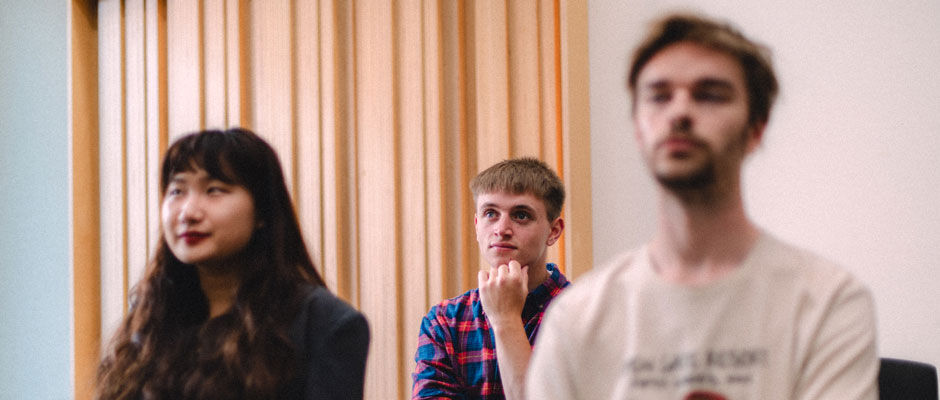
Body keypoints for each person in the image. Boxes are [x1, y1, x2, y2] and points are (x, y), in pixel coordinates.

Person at [527, 13, 878, 400]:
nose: (679, 112)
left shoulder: (826, 301)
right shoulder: (577, 318)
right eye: (659, 96)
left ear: (755, 129)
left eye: (710, 94)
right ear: (639, 129)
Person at [95, 128, 370, 400]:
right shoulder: (152, 316)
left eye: (214, 191)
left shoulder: (322, 322)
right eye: (177, 191)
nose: (188, 213)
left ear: (262, 212)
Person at [412, 157, 570, 400]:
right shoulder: (445, 322)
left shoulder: (584, 314)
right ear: (477, 225)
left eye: (521, 215)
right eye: (490, 213)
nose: (501, 229)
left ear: (554, 231)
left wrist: (506, 320)